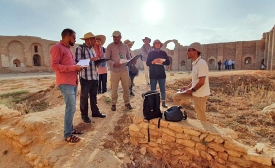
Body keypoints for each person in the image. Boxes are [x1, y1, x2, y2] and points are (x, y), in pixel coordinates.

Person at [50, 28, 83, 143]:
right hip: (65, 83)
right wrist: (74, 67)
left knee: (71, 108)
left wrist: (77, 68)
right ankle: (67, 135)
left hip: (72, 81)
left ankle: (70, 128)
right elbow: (54, 66)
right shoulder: (57, 48)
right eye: (74, 37)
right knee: (71, 108)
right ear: (68, 37)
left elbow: (69, 65)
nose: (75, 40)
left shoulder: (68, 49)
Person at [173, 42, 210, 121]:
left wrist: (192, 90)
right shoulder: (195, 63)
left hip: (200, 94)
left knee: (201, 116)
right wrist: (188, 87)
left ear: (195, 51)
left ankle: (206, 131)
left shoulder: (201, 63)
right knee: (176, 96)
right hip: (194, 91)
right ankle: (177, 115)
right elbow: (195, 80)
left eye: (189, 50)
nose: (187, 52)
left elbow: (201, 81)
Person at [75, 32, 106, 123]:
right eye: (93, 39)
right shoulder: (80, 48)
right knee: (84, 97)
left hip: (94, 76)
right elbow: (78, 62)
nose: (95, 41)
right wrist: (91, 59)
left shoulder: (92, 49)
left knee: (93, 96)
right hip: (85, 77)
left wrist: (98, 62)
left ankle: (95, 112)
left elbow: (93, 63)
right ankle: (84, 115)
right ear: (88, 40)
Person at [105, 31, 133, 111]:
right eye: (114, 37)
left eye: (117, 37)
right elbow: (106, 59)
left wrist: (131, 61)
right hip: (114, 70)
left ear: (120, 37)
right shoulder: (109, 46)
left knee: (126, 88)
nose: (115, 38)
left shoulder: (125, 46)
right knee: (114, 89)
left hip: (124, 70)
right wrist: (113, 63)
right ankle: (113, 104)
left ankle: (127, 103)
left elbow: (128, 57)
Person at [146, 39, 170, 108]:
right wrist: (152, 62)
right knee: (153, 89)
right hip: (153, 74)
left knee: (162, 89)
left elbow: (168, 62)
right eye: (156, 43)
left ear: (160, 44)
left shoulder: (163, 53)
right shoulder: (151, 53)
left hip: (161, 74)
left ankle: (163, 102)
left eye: (158, 43)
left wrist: (162, 62)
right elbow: (147, 63)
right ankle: (153, 103)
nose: (157, 44)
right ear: (154, 45)